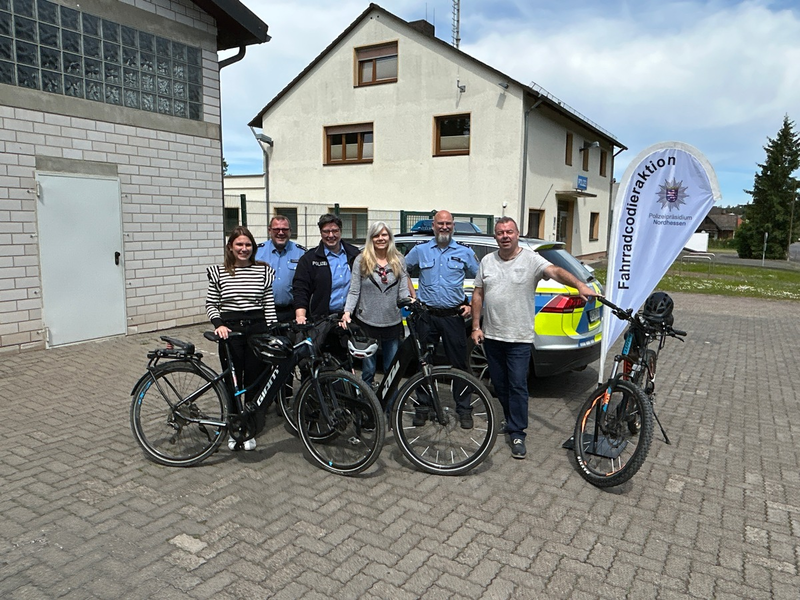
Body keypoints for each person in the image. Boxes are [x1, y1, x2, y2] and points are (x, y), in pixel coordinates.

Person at [470, 217, 596, 459]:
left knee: (518, 385)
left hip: (519, 338)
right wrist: (476, 326)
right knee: (500, 385)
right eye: (500, 233)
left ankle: (518, 433)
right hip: (493, 336)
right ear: (495, 237)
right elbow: (478, 294)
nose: (505, 236)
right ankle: (510, 420)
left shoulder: (531, 259)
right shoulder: (487, 261)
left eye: (509, 232)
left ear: (517, 234)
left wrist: (579, 284)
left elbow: (555, 271)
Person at [405, 210, 479, 428]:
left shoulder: (465, 252)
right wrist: (412, 295)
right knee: (423, 362)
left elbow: (481, 279)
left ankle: (463, 409)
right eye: (440, 223)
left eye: (448, 223)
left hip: (452, 317)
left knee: (459, 365)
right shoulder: (420, 250)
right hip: (426, 315)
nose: (444, 227)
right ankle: (423, 407)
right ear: (433, 226)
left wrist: (470, 304)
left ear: (453, 225)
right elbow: (401, 270)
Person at [206, 226, 278, 451]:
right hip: (231, 331)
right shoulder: (219, 272)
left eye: (248, 245)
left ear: (253, 247)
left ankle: (250, 428)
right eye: (239, 244)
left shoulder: (263, 271)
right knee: (233, 381)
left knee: (254, 381)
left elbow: (268, 304)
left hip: (257, 330)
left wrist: (272, 330)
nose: (244, 249)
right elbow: (211, 304)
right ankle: (234, 426)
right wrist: (219, 325)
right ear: (230, 247)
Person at [340, 222, 410, 387]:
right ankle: (367, 400)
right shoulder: (361, 260)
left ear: (389, 237)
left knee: (390, 369)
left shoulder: (399, 260)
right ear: (371, 238)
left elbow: (403, 290)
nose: (380, 239)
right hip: (367, 323)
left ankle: (390, 401)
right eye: (376, 235)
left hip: (391, 322)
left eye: (384, 235)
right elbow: (354, 290)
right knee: (369, 370)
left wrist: (409, 302)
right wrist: (347, 312)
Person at [293, 214, 360, 360]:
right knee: (316, 364)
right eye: (326, 231)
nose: (331, 235)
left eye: (335, 231)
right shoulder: (309, 259)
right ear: (320, 232)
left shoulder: (355, 255)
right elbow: (301, 289)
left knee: (345, 364)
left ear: (341, 231)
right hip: (320, 321)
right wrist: (300, 316)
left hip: (348, 320)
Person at [255, 215, 305, 323]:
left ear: (290, 231)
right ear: (269, 230)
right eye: (276, 229)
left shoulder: (302, 253)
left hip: (292, 313)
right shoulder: (256, 253)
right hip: (262, 313)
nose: (281, 233)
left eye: (285, 229)